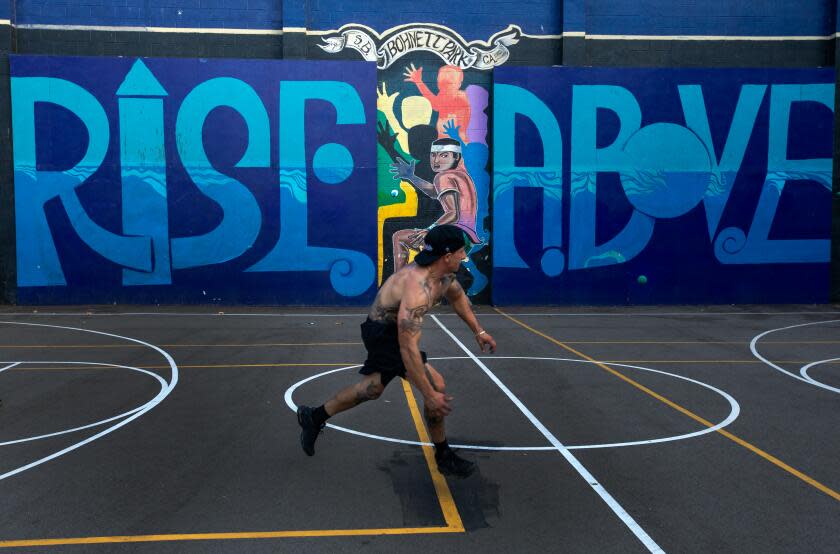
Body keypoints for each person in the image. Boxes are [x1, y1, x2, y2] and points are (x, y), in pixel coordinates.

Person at [296, 225, 497, 478]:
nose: (463, 257)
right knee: (435, 386)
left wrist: (478, 331)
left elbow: (457, 297)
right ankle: (444, 455)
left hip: (392, 332)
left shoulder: (443, 277)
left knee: (373, 388)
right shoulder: (417, 289)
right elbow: (407, 346)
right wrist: (429, 395)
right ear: (447, 256)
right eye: (460, 252)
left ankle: (313, 416)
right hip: (382, 333)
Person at [390, 137, 480, 273]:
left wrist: (430, 229)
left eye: (444, 155)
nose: (436, 160)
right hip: (466, 237)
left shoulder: (443, 177)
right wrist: (411, 176)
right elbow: (434, 192)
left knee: (399, 237)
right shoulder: (461, 175)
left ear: (456, 157)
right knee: (434, 272)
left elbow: (453, 213)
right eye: (433, 155)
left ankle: (398, 281)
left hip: (453, 235)